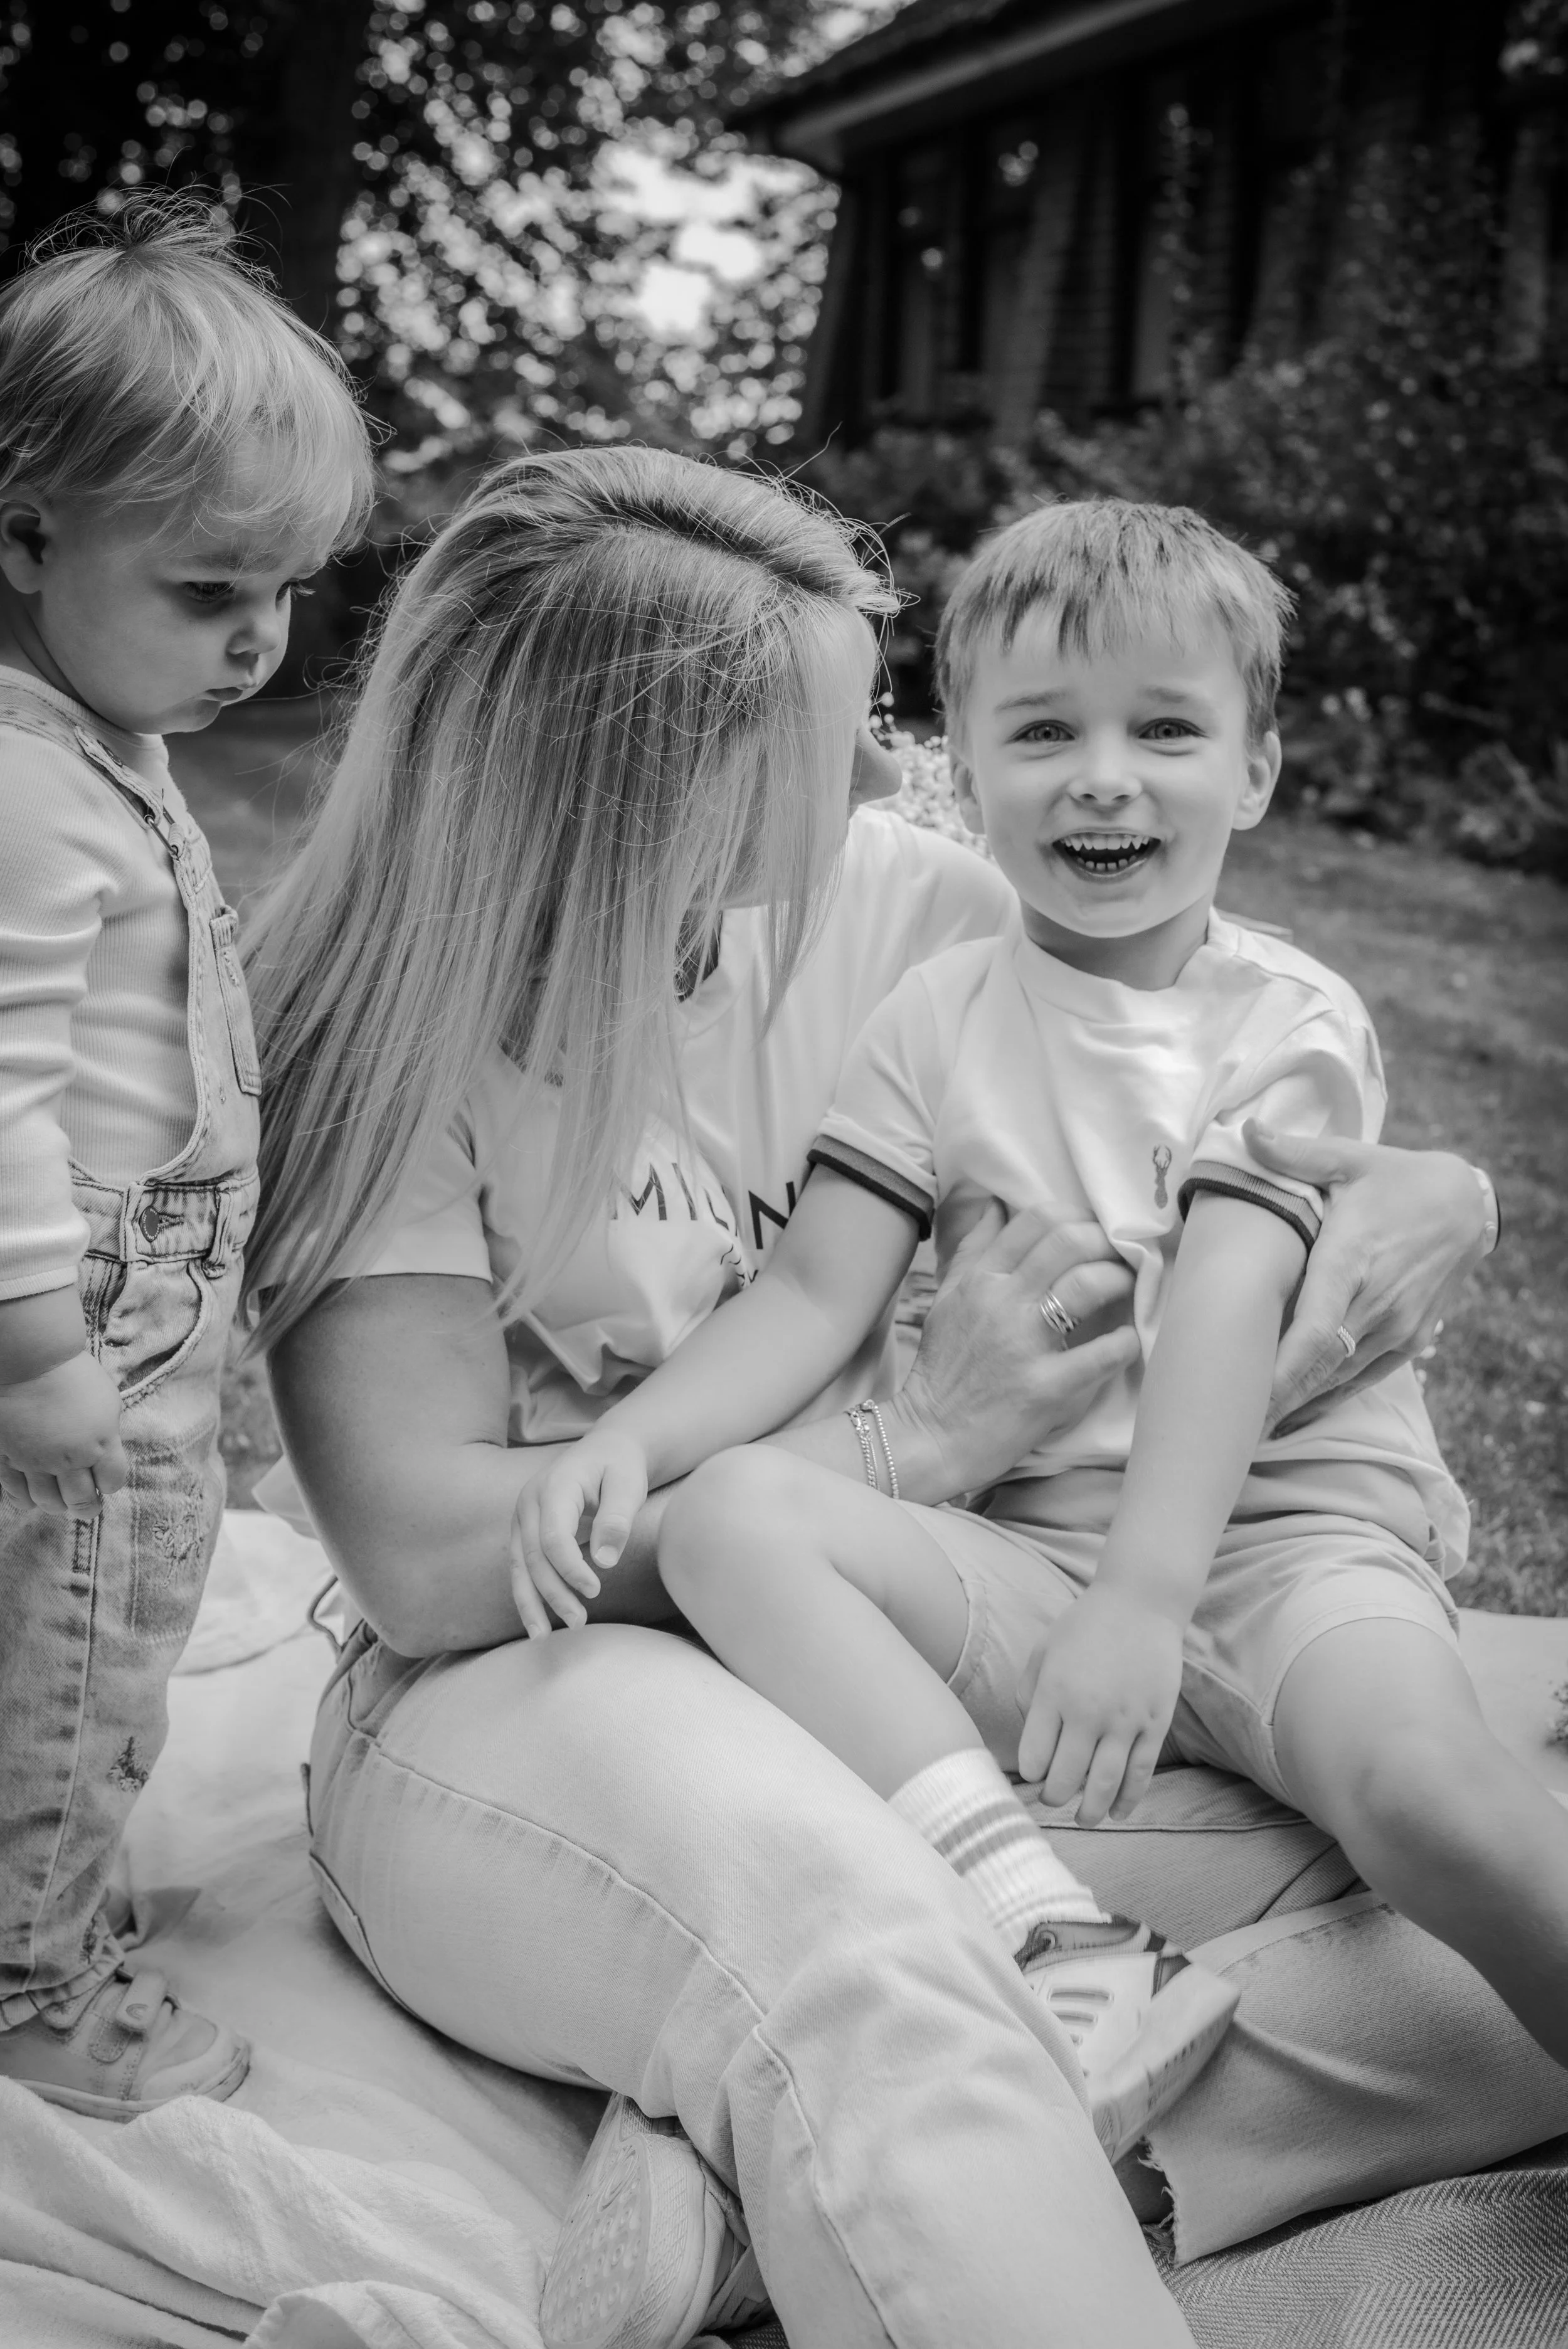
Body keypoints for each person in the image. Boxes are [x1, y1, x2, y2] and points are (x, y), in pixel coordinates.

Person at [247, 450, 1561, 2349]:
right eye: (829, 733)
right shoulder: (398, 1029)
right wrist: (912, 1442)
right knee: (901, 1960)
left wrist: (1440, 1189)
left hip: (899, 1621)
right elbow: (431, 1563)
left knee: (1454, 1828)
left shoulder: (889, 907)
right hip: (537, 1677)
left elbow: (1200, 1074)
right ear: (647, 784)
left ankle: (785, 2198)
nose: (886, 773)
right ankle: (929, 2154)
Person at [524, 495, 1568, 2109]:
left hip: (1276, 1543)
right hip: (1029, 1553)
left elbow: (1228, 1298)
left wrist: (1144, 1610)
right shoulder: (931, 1017)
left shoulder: (1282, 1011)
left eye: (1165, 728)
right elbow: (811, 1292)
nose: (1102, 774)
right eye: (1042, 730)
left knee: (1433, 1800)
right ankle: (1051, 1942)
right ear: (964, 767)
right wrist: (633, 1448)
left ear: (1257, 771)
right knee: (735, 1519)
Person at [0, 194, 375, 2120]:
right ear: (25, 536)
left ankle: (33, 1883)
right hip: (71, 1382)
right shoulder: (23, 793)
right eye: (208, 590)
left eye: (287, 592)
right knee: (73, 1662)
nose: (257, 643)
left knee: (82, 1664)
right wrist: (35, 1352)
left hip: (127, 1360)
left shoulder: (99, 745)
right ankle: (31, 1988)